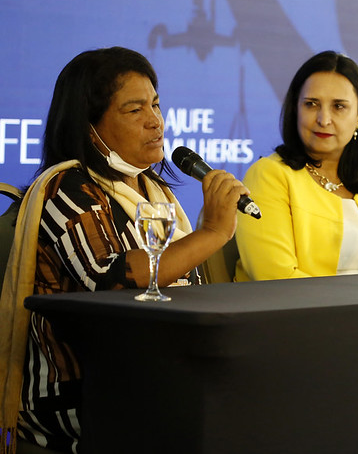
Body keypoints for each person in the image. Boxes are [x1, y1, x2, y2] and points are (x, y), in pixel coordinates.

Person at [0, 47, 250, 453]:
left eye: (155, 104)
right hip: (77, 398)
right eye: (134, 110)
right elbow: (114, 283)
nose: (155, 121)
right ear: (88, 125)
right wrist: (213, 231)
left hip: (152, 373)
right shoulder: (65, 189)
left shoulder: (154, 189)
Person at [235, 51, 358, 279]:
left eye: (338, 106)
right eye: (311, 104)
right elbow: (274, 277)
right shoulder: (269, 175)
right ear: (295, 108)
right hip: (294, 311)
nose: (323, 119)